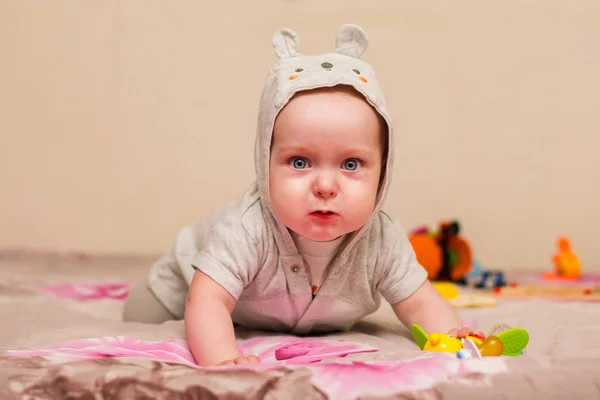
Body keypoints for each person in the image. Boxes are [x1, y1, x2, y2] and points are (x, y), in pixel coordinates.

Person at [123, 24, 477, 366]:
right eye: (300, 161)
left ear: (383, 171)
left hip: (287, 314)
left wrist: (452, 339)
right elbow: (207, 300)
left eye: (351, 164)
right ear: (266, 163)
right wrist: (223, 360)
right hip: (181, 284)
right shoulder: (247, 228)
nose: (325, 186)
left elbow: (418, 302)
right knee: (140, 316)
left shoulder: (382, 237)